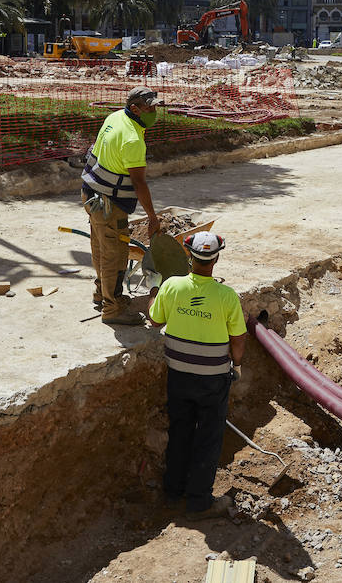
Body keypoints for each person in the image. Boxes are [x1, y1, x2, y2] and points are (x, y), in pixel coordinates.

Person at [147, 231, 247, 517]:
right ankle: (199, 502)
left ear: (189, 256)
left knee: (180, 431)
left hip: (178, 376)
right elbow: (238, 341)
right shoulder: (227, 296)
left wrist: (155, 294)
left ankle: (173, 491)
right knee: (208, 437)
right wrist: (236, 364)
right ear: (215, 259)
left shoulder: (172, 286)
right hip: (212, 380)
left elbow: (154, 320)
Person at [80, 86, 163, 325]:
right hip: (108, 202)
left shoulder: (115, 116)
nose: (154, 112)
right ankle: (113, 309)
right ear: (135, 108)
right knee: (115, 255)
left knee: (100, 246)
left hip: (91, 193)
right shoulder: (133, 139)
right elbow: (139, 183)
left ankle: (103, 292)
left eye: (156, 107)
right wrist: (153, 218)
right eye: (149, 108)